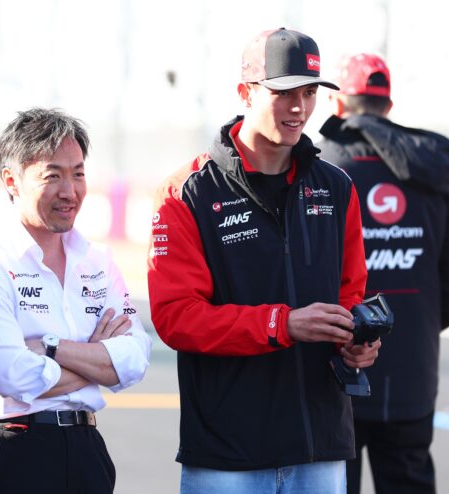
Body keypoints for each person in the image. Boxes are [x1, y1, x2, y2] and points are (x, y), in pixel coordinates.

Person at [147, 28, 382, 494]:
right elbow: (176, 319)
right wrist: (283, 324)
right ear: (245, 92)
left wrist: (357, 342)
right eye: (283, 92)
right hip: (228, 456)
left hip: (321, 448)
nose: (299, 108)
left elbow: (349, 295)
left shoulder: (336, 188)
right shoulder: (186, 194)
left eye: (309, 92)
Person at [0, 107, 152, 494]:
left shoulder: (97, 260)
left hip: (86, 448)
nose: (70, 191)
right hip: (14, 448)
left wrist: (50, 348)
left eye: (78, 173)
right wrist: (96, 358)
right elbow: (13, 375)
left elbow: (135, 358)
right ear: (12, 180)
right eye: (52, 176)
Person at [317, 53, 449, 494]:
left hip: (332, 374)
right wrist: (419, 320)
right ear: (388, 107)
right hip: (413, 375)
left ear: (338, 106)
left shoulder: (322, 171)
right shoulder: (432, 174)